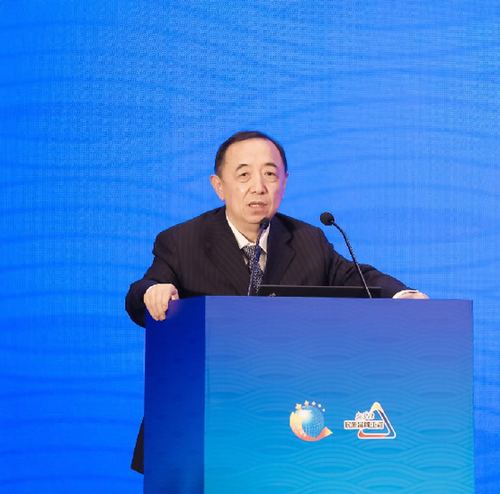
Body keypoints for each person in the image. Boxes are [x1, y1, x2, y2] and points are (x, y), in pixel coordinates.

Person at [125, 130, 427, 472]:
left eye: (270, 174)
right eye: (244, 175)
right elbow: (141, 292)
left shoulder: (308, 240)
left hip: (281, 423)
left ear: (284, 181)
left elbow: (355, 276)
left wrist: (401, 295)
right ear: (219, 185)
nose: (258, 187)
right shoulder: (182, 241)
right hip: (201, 421)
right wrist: (152, 292)